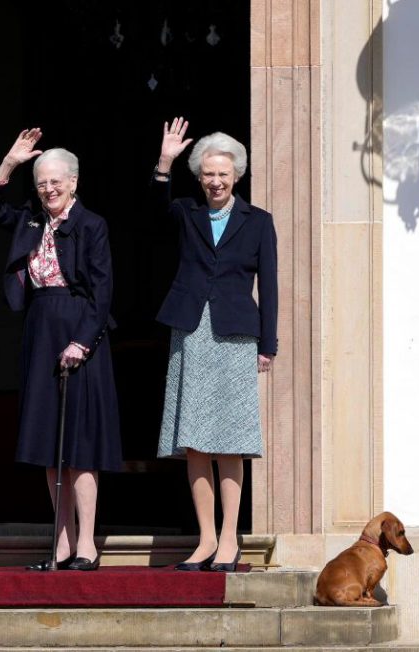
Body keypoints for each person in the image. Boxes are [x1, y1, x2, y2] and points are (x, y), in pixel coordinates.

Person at [0, 128, 121, 572]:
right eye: (41, 181)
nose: (49, 188)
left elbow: (103, 291)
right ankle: (60, 546)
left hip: (81, 332)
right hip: (40, 328)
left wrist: (81, 341)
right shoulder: (31, 218)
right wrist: (9, 165)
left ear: (74, 182)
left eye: (57, 180)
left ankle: (87, 547)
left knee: (79, 446)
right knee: (48, 445)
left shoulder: (92, 225)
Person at [151, 117, 277, 572]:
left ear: (237, 175)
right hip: (191, 330)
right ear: (199, 177)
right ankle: (204, 538)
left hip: (237, 334)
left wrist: (269, 343)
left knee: (230, 439)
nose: (216, 181)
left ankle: (230, 538)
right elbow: (154, 210)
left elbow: (272, 285)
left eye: (224, 173)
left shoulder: (258, 221)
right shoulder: (187, 212)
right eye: (208, 173)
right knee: (197, 441)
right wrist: (164, 162)